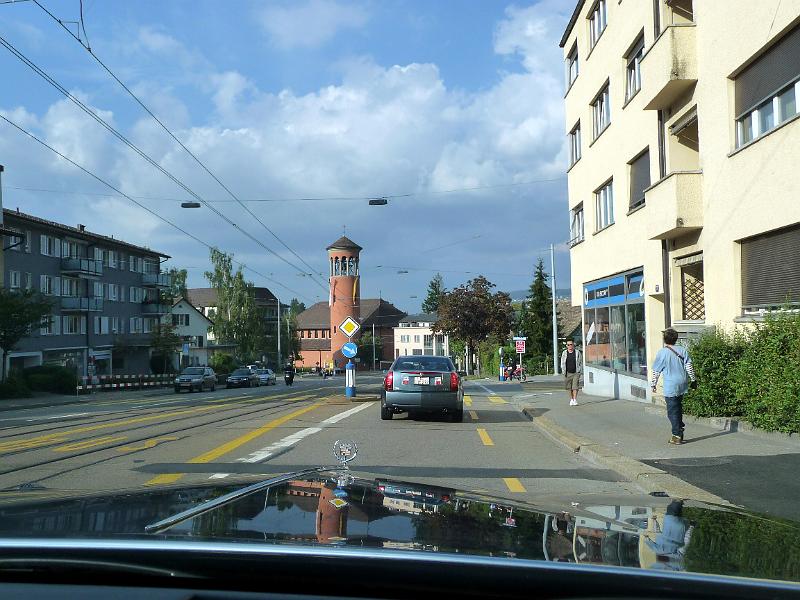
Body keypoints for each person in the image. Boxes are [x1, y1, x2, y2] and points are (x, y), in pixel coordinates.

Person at [650, 328, 697, 445]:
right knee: (678, 407)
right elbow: (689, 366)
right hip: (682, 383)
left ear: (664, 339)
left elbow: (656, 371)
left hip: (671, 384)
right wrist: (693, 380)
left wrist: (653, 384)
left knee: (671, 411)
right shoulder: (683, 350)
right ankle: (679, 426)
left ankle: (677, 434)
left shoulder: (662, 352)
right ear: (676, 339)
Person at [560, 341, 582, 406]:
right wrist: (563, 371)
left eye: (571, 344)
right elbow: (562, 362)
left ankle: (575, 399)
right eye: (568, 345)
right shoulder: (564, 353)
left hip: (576, 372)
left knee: (575, 386)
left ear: (573, 345)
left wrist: (579, 370)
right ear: (566, 346)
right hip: (567, 373)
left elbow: (580, 361)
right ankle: (571, 399)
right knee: (568, 387)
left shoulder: (577, 352)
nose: (569, 346)